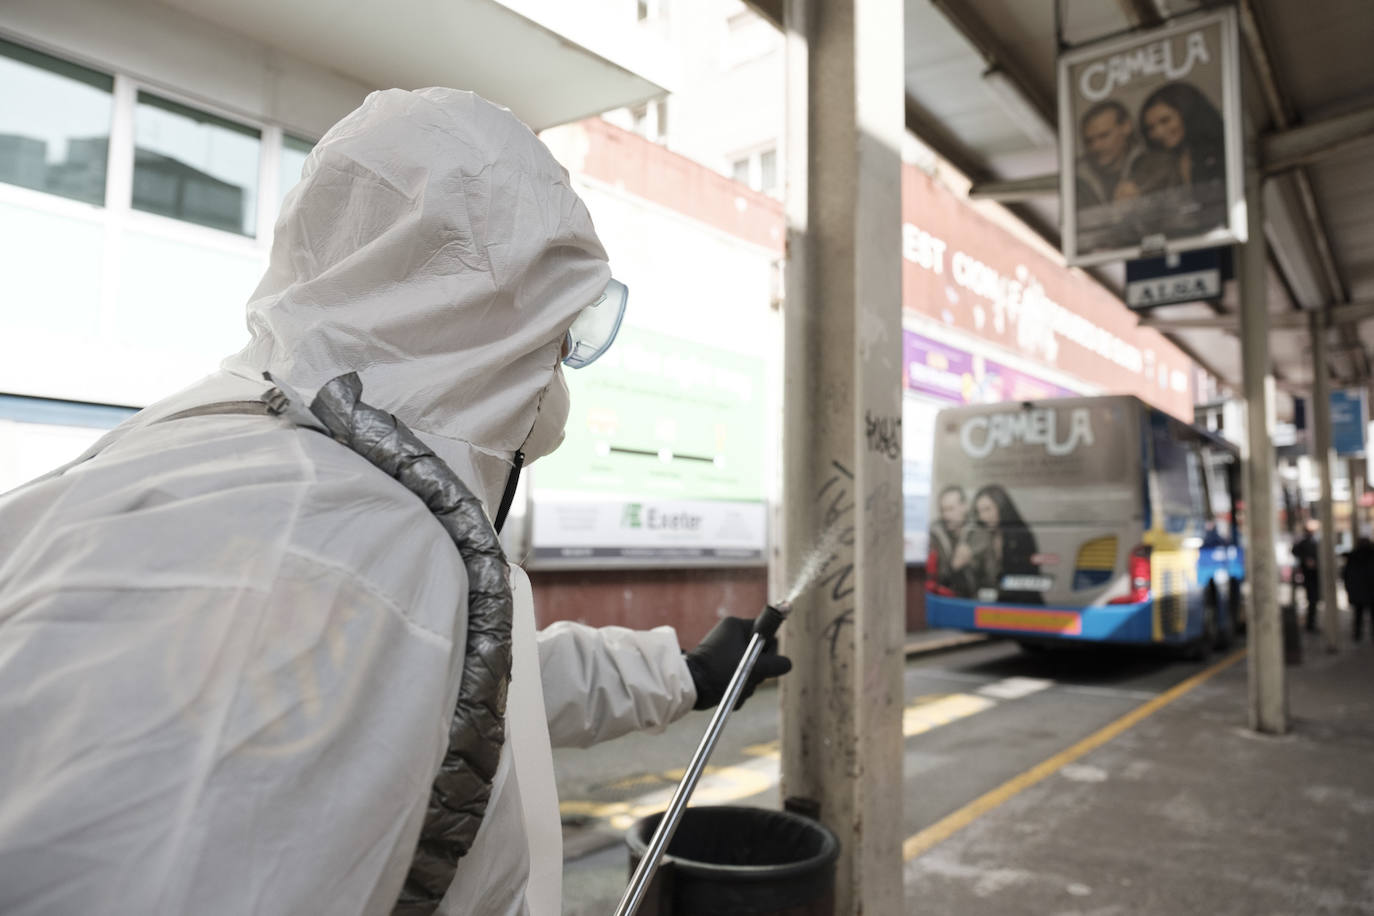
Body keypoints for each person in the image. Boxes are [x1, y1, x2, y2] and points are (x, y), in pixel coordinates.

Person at [0, 88, 790, 916]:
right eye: (555, 334)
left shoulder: (314, 486)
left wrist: (684, 671)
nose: (556, 373)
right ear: (485, 321)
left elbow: (470, 686)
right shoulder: (328, 545)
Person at [1074, 99, 1177, 251]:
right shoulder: (1077, 179)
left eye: (1104, 136)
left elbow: (1176, 221)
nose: (1096, 146)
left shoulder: (1158, 166)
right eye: (1090, 141)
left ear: (1126, 127)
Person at [1138, 81, 1227, 234]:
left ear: (1187, 114)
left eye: (1165, 120)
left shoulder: (1220, 152)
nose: (1158, 133)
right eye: (1151, 128)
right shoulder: (1162, 164)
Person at [956, 484, 1043, 605]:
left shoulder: (1021, 535)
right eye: (979, 512)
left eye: (987, 509)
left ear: (1001, 507)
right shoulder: (983, 536)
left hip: (1022, 607)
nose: (983, 517)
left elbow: (1027, 579)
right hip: (991, 605)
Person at [930, 484, 974, 596]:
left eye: (950, 509)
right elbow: (933, 580)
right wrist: (953, 567)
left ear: (965, 507)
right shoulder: (934, 535)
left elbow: (990, 577)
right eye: (943, 510)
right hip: (943, 598)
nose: (946, 515)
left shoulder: (979, 534)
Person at [1342, 535, 1374, 642]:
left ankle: (1357, 635)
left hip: (1359, 593)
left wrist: (1349, 590)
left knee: (1358, 615)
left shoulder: (1353, 557)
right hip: (1370, 592)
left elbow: (1346, 576)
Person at [1293, 519, 1322, 632]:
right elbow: (1295, 551)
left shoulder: (1315, 541)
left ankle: (1311, 622)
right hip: (1309, 575)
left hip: (1315, 575)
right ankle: (1310, 624)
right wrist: (1306, 559)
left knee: (1314, 600)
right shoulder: (1304, 542)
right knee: (1312, 599)